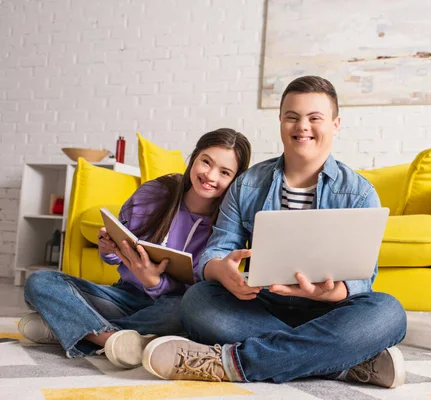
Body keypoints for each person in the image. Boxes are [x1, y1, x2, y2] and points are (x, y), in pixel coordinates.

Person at [141, 76, 407, 388]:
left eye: (314, 118)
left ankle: (230, 363)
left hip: (330, 312)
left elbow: (363, 280)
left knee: (389, 312)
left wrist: (327, 292)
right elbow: (216, 251)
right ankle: (343, 363)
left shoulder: (360, 193)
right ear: (280, 121)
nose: (302, 126)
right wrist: (221, 270)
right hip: (261, 304)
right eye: (292, 117)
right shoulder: (247, 184)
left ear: (335, 125)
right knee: (198, 301)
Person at [19, 128, 251, 369]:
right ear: (194, 157)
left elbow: (200, 289)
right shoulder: (156, 192)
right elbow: (115, 254)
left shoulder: (228, 223)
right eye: (206, 162)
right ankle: (110, 339)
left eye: (224, 172)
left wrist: (154, 282)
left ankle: (70, 327)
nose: (210, 175)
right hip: (124, 296)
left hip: (171, 306)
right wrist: (108, 247)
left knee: (186, 312)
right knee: (40, 282)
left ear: (235, 180)